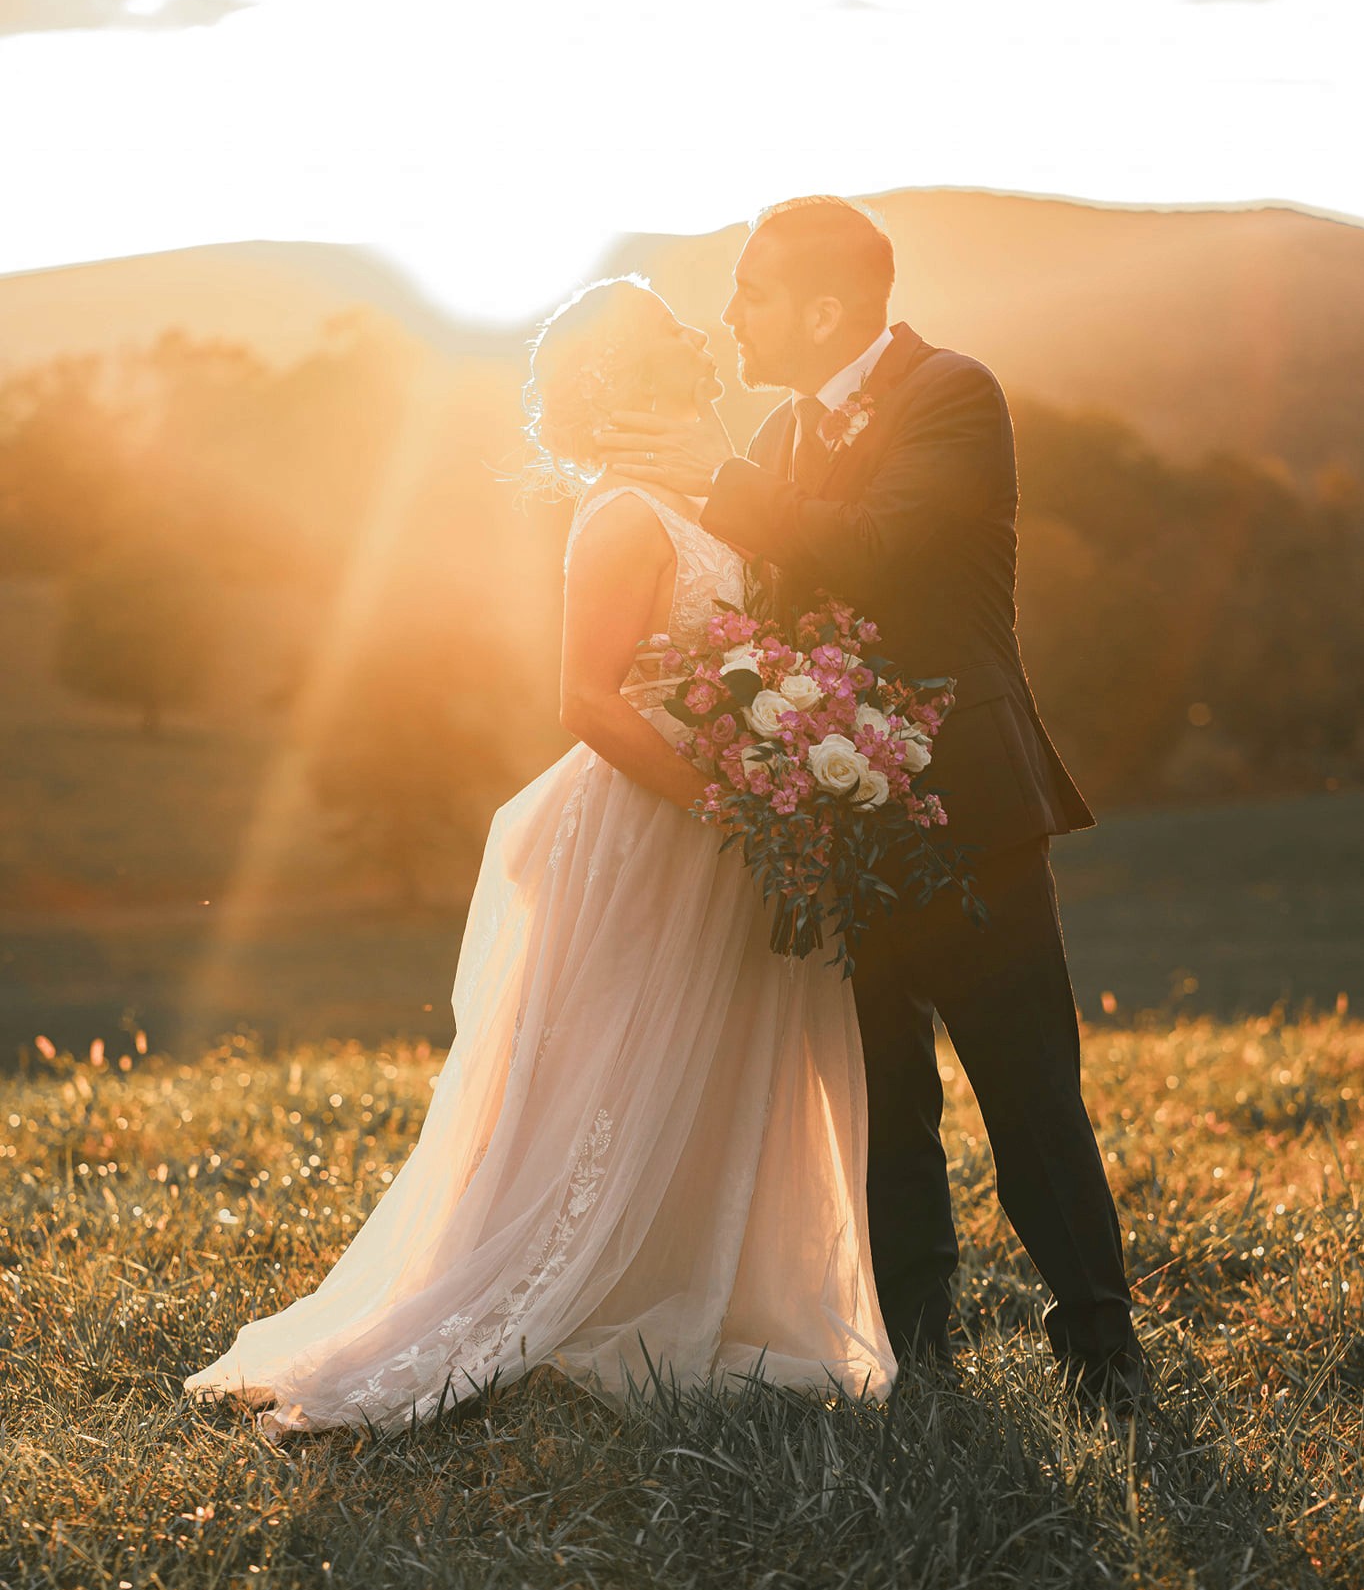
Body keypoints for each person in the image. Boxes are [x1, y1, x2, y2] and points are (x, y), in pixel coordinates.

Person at [184, 273, 896, 1437]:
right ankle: (546, 1290)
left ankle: (689, 1281)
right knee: (609, 1063)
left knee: (705, 1055)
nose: (702, 339)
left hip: (718, 822)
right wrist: (731, 798)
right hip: (647, 823)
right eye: (675, 330)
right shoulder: (620, 514)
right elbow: (586, 698)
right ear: (629, 367)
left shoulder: (702, 499)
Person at [597, 196, 1143, 1406]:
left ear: (826, 306)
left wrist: (716, 480)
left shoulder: (954, 394)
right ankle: (917, 1348)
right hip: (842, 815)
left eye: (752, 292)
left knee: (1029, 1090)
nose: (733, 314)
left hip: (971, 807)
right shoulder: (783, 441)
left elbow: (884, 547)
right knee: (884, 1102)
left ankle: (1103, 1349)